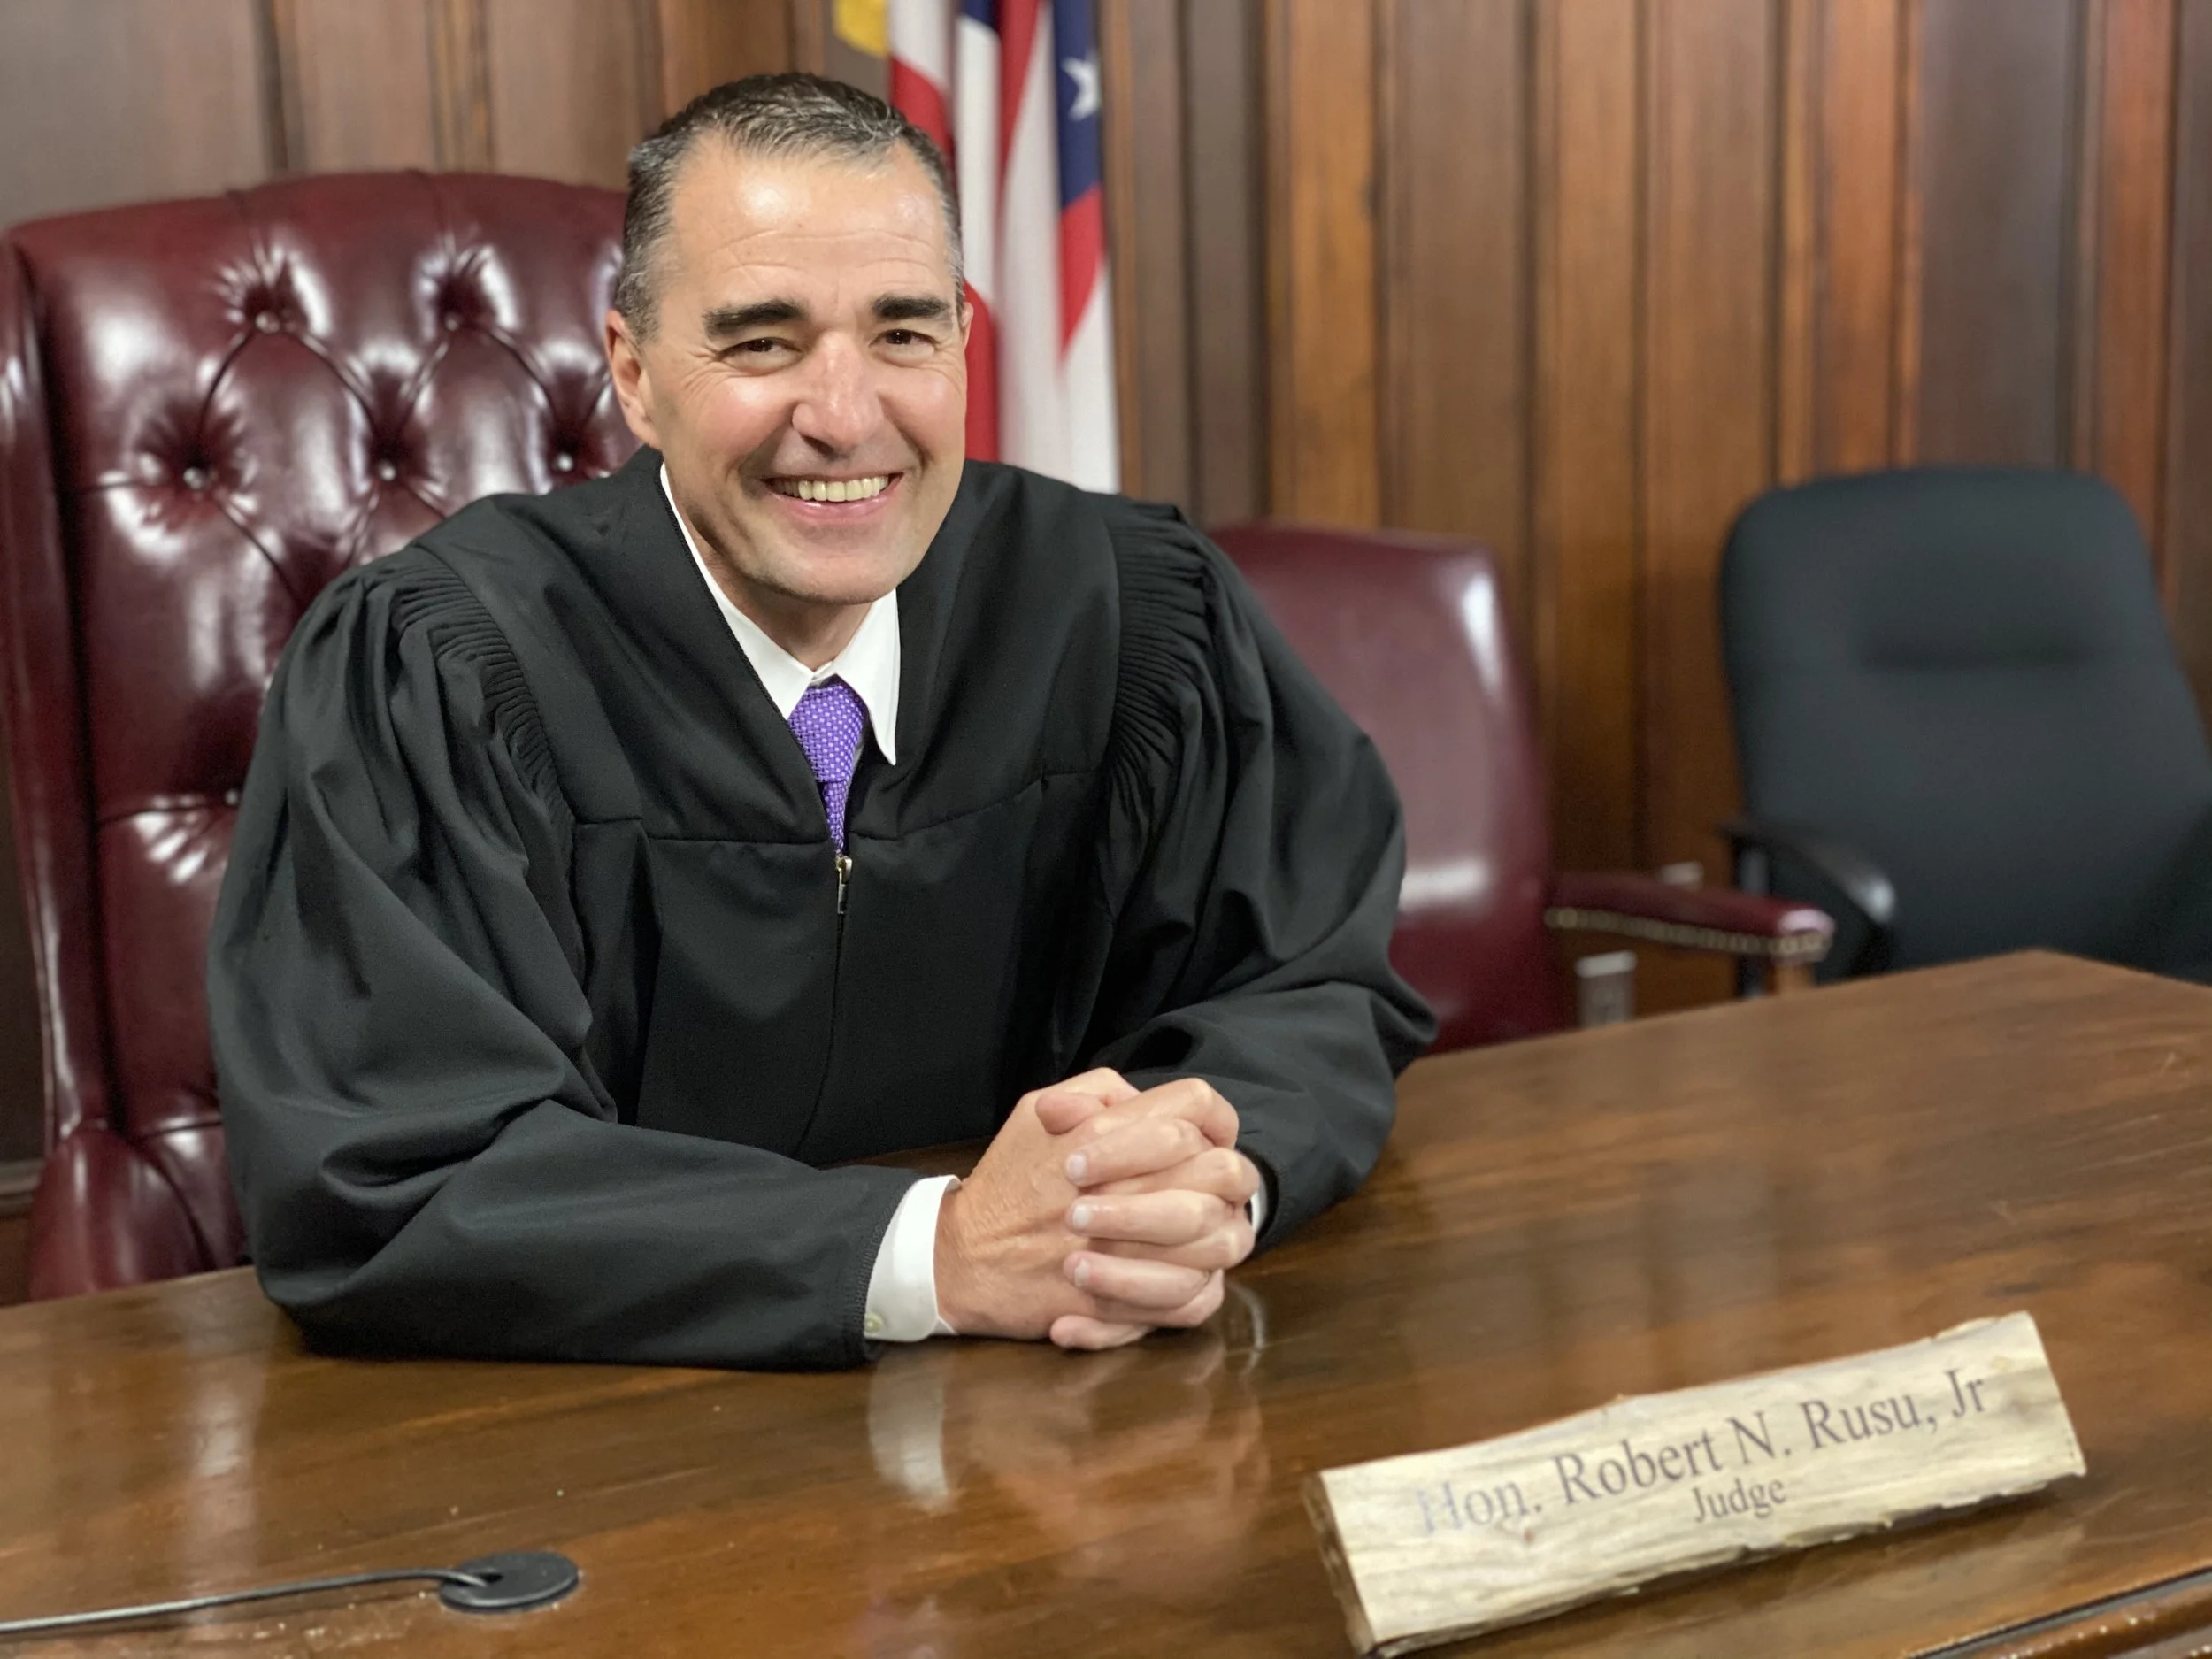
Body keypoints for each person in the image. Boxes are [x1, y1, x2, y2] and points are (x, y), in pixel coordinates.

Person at [210, 73, 1432, 1371]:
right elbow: (397, 1174)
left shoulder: (1126, 611)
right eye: (762, 342)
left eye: (903, 333)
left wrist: (1189, 1181)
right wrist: (933, 1251)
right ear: (631, 369)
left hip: (1067, 1415)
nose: (845, 417)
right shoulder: (439, 671)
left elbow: (1308, 982)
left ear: (963, 340)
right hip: (607, 1458)